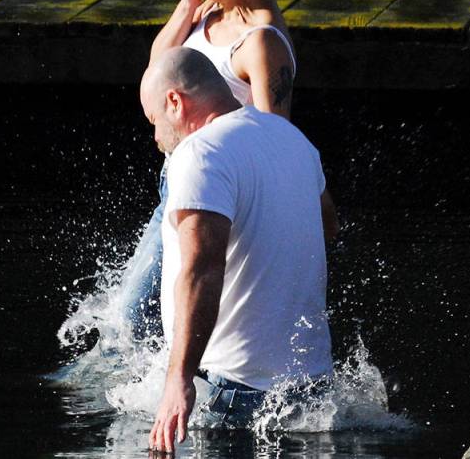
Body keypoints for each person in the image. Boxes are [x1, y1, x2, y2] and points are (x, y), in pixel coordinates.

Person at [121, 0, 305, 340]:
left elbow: (275, 147)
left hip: (215, 198)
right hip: (175, 185)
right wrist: (184, 5)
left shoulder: (261, 41)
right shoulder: (211, 8)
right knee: (133, 318)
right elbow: (159, 74)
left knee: (135, 319)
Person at [140, 47, 338, 453]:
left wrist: (178, 379)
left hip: (234, 395)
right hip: (312, 389)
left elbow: (202, 269)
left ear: (175, 101)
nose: (157, 138)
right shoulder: (291, 138)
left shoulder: (199, 154)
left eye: (153, 121)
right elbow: (329, 227)